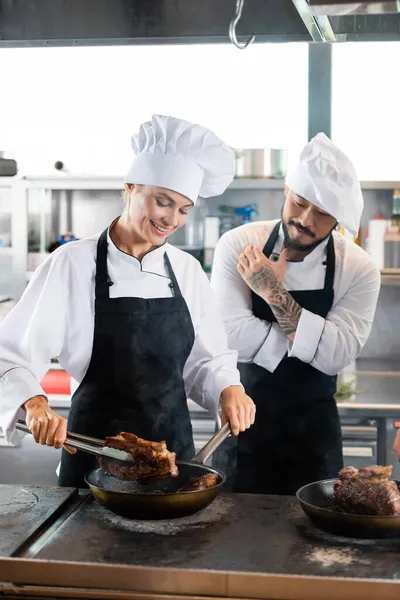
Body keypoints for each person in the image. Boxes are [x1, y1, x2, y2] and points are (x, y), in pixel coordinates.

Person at [0, 114, 255, 487]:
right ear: (131, 187)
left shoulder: (185, 270)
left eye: (184, 209)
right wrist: (35, 404)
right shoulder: (72, 262)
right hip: (93, 461)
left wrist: (228, 388)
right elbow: (12, 354)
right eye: (163, 202)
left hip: (174, 460)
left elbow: (207, 360)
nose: (171, 219)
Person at [210, 132, 381, 495]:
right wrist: (310, 344)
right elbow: (228, 334)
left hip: (314, 439)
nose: (305, 219)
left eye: (322, 213)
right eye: (300, 203)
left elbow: (338, 355)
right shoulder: (238, 244)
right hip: (241, 431)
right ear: (286, 190)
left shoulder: (358, 267)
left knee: (316, 545)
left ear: (338, 220)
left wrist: (272, 292)